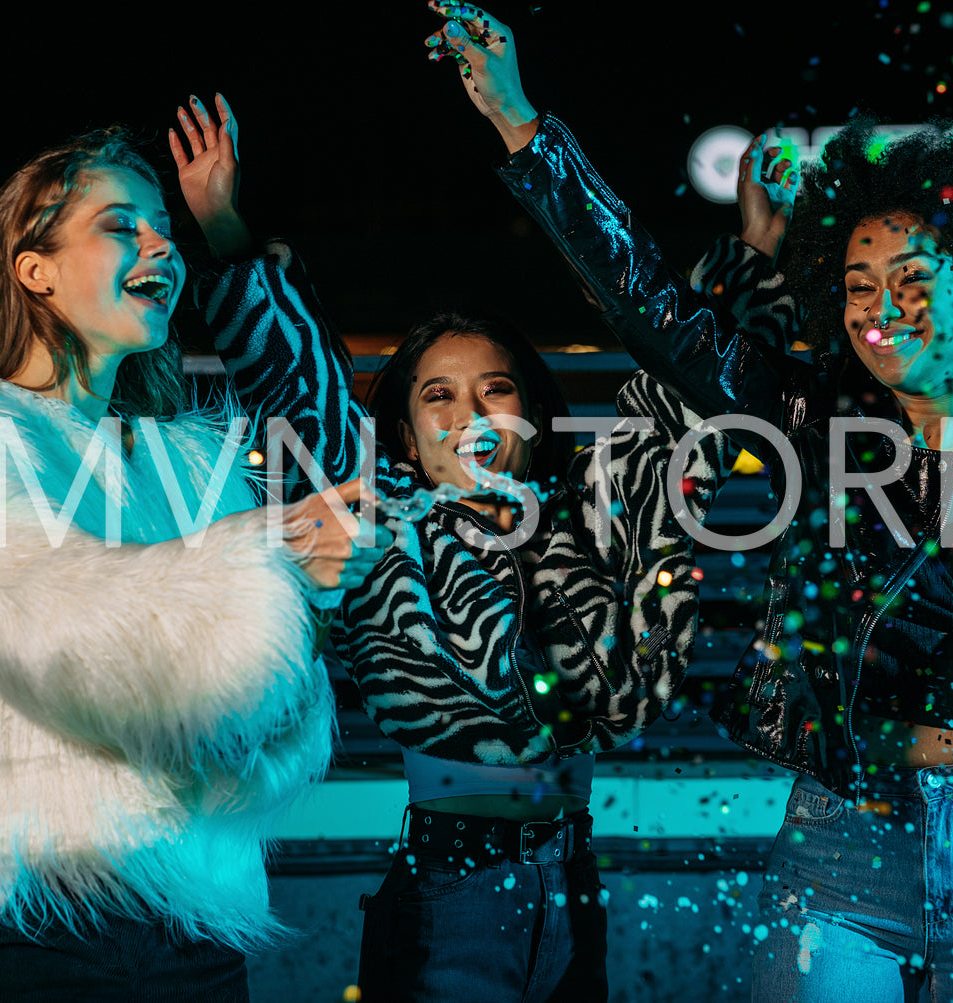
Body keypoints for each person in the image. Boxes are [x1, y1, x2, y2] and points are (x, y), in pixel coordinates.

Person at [424, 3, 953, 1000]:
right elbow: (652, 310)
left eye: (912, 279)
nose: (880, 310)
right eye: (855, 284)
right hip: (843, 850)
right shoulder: (815, 423)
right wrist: (519, 123)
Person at [164, 72, 729, 1003]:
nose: (470, 413)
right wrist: (222, 224)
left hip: (573, 883)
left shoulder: (580, 514)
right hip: (448, 895)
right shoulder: (384, 514)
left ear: (531, 414)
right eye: (438, 394)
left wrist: (746, 255)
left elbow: (679, 383)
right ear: (408, 434)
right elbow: (298, 390)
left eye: (494, 389)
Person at [0, 115, 389, 1001]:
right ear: (34, 268)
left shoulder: (187, 457)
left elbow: (269, 702)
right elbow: (63, 631)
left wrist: (224, 229)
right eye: (121, 225)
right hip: (41, 918)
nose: (160, 244)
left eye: (164, 228)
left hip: (195, 926)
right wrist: (275, 567)